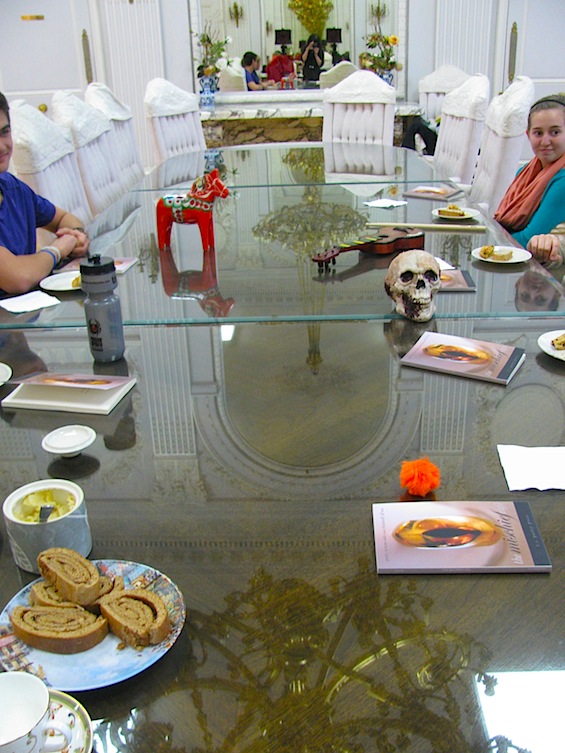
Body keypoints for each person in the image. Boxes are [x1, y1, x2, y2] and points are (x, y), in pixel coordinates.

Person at [0, 92, 90, 295]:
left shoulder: (12, 187)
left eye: (4, 132)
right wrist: (58, 249)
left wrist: (76, 236)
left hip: (26, 319)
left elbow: (64, 218)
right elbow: (18, 278)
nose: (1, 146)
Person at [494, 94, 565, 248]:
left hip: (538, 267)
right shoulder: (525, 171)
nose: (545, 142)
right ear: (528, 135)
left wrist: (489, 239)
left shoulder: (563, 181)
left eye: (555, 132)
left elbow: (527, 240)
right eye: (538, 133)